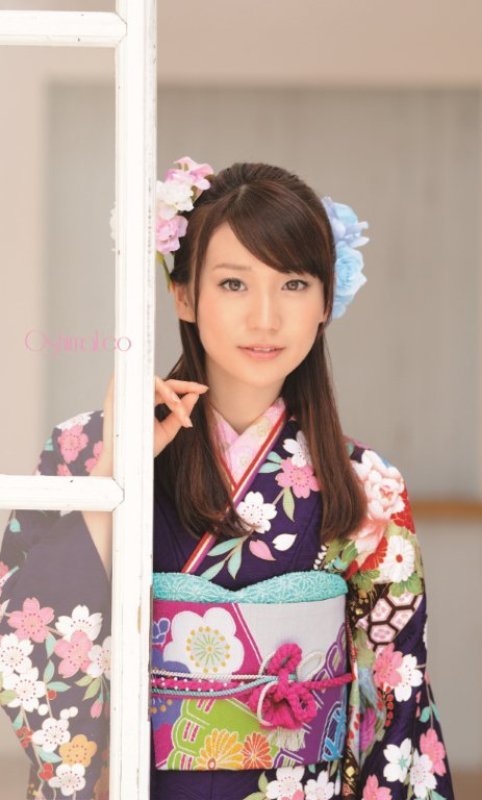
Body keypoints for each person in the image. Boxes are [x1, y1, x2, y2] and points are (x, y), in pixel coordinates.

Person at [0, 158, 455, 800]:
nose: (265, 318)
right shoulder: (84, 451)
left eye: (293, 283)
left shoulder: (367, 485)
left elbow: (398, 700)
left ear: (327, 300)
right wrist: (114, 478)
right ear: (183, 293)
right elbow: (29, 640)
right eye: (234, 283)